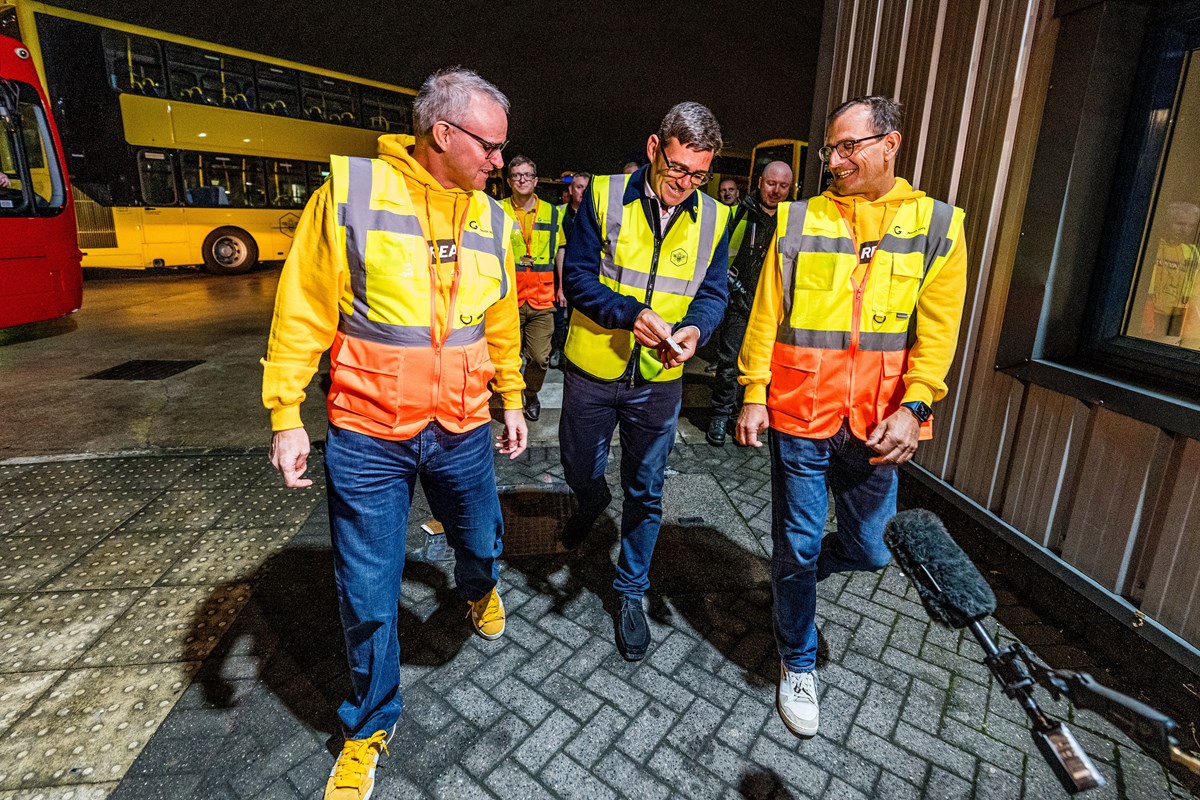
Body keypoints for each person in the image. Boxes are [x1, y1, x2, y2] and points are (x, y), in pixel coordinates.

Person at [261, 67, 528, 800]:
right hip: (368, 432)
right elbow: (303, 310)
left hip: (464, 426)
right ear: (443, 135)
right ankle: (369, 726)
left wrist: (512, 396)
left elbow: (498, 317)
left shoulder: (493, 218)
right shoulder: (349, 196)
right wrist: (286, 416)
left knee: (479, 538)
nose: (500, 162)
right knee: (368, 590)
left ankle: (478, 587)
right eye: (491, 146)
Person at [736, 96, 967, 738]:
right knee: (799, 542)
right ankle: (798, 658)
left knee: (869, 550)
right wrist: (753, 392)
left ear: (890, 144)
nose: (834, 161)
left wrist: (916, 406)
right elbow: (766, 315)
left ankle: (793, 578)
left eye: (848, 147)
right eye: (830, 149)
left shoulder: (939, 225)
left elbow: (939, 333)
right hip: (802, 414)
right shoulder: (798, 220)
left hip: (878, 425)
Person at [559, 102, 730, 660]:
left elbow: (713, 293)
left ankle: (630, 590)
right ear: (655, 147)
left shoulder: (715, 218)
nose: (685, 185)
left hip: (660, 379)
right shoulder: (604, 196)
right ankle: (590, 498)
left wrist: (696, 331)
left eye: (699, 175)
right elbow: (579, 279)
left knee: (647, 488)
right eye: (677, 169)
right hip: (593, 367)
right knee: (580, 467)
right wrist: (629, 313)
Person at [706, 160, 794, 446]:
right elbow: (718, 259)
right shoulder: (738, 213)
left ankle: (749, 414)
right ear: (759, 183)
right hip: (739, 301)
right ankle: (721, 414)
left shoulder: (793, 219)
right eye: (771, 184)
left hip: (774, 308)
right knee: (729, 362)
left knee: (767, 364)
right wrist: (733, 288)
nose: (776, 191)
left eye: (783, 186)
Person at [500, 156, 567, 421]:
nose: (522, 180)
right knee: (509, 356)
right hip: (508, 298)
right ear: (509, 181)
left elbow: (560, 249)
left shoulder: (552, 212)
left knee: (540, 358)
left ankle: (531, 394)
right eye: (516, 175)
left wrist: (562, 287)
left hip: (542, 298)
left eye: (527, 175)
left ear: (536, 180)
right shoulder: (497, 209)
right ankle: (512, 399)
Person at [1142, 201, 1200, 344]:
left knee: (1169, 345)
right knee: (1145, 344)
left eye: (1190, 225)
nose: (1185, 230)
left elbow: (1195, 289)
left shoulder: (1192, 252)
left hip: (1177, 311)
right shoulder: (1153, 246)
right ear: (1168, 222)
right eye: (1180, 224)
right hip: (1150, 306)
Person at [551, 172, 591, 369]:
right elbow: (560, 248)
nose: (582, 191)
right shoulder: (560, 213)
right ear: (570, 189)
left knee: (581, 317)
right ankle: (558, 349)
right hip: (561, 274)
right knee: (559, 316)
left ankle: (575, 354)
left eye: (585, 187)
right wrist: (562, 285)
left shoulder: (594, 214)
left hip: (586, 276)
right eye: (578, 187)